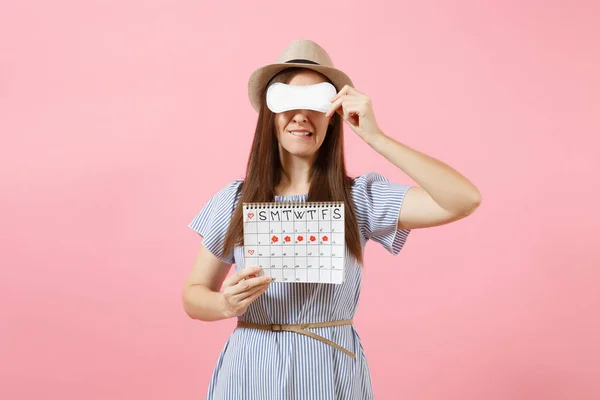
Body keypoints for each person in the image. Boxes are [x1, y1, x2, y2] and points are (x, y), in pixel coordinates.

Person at [182, 39, 481, 399]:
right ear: (269, 114)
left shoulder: (359, 198)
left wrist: (377, 138)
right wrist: (224, 304)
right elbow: (193, 295)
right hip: (249, 371)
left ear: (334, 112)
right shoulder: (234, 200)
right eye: (288, 103)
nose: (301, 116)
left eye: (315, 104)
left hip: (330, 370)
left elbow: (463, 200)